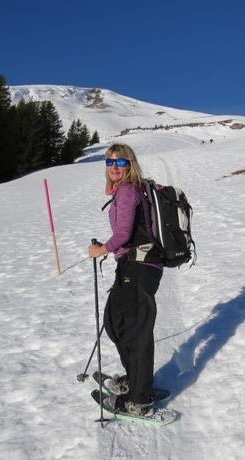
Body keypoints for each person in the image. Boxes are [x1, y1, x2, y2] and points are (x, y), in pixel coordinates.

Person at [88, 143, 163, 417]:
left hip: (140, 265)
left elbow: (123, 234)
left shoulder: (129, 190)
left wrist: (101, 249)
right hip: (132, 265)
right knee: (115, 322)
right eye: (109, 162)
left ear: (129, 164)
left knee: (136, 330)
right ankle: (135, 381)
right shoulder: (128, 190)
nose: (114, 167)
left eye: (120, 162)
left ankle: (140, 400)